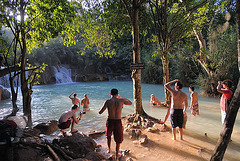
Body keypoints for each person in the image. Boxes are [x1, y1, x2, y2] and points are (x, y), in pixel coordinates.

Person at [99, 89, 132, 160]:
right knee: (118, 139)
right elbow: (130, 102)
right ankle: (117, 155)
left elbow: (100, 112)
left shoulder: (108, 101)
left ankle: (109, 149)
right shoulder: (121, 100)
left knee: (108, 135)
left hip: (110, 120)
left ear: (110, 93)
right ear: (117, 94)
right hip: (118, 121)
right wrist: (121, 98)